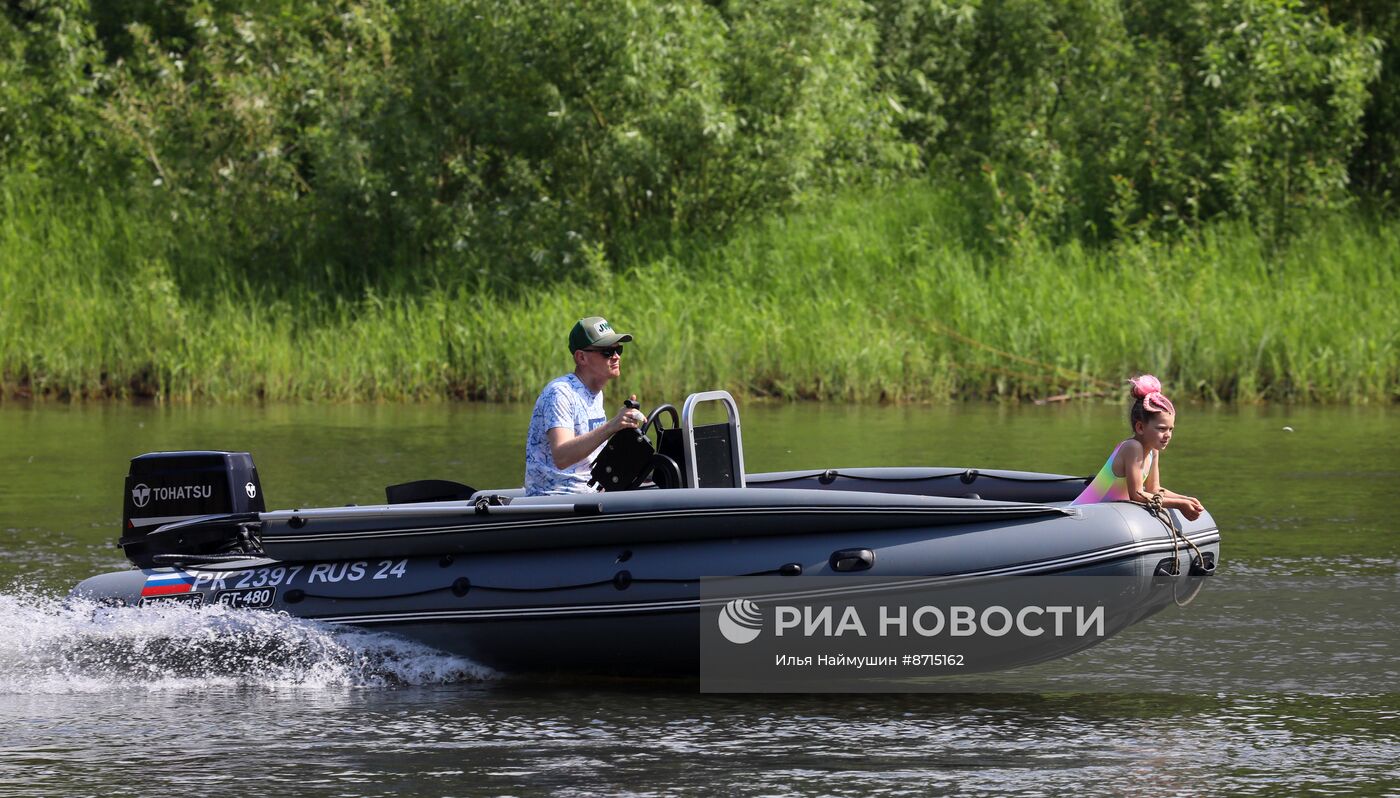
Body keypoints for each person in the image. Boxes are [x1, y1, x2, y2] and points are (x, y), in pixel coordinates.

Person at [523, 316, 646, 496]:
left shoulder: (596, 393)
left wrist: (624, 430)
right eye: (607, 352)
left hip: (589, 492)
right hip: (555, 498)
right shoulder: (559, 393)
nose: (616, 356)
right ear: (581, 357)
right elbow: (562, 456)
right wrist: (612, 425)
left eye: (618, 349)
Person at [1071, 375, 1204, 520]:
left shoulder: (1153, 450)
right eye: (1161, 429)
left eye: (1170, 429)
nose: (1168, 435)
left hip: (1102, 516)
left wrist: (1186, 499)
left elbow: (1154, 489)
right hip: (1080, 516)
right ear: (1140, 427)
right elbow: (1137, 495)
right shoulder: (1132, 448)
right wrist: (1179, 505)